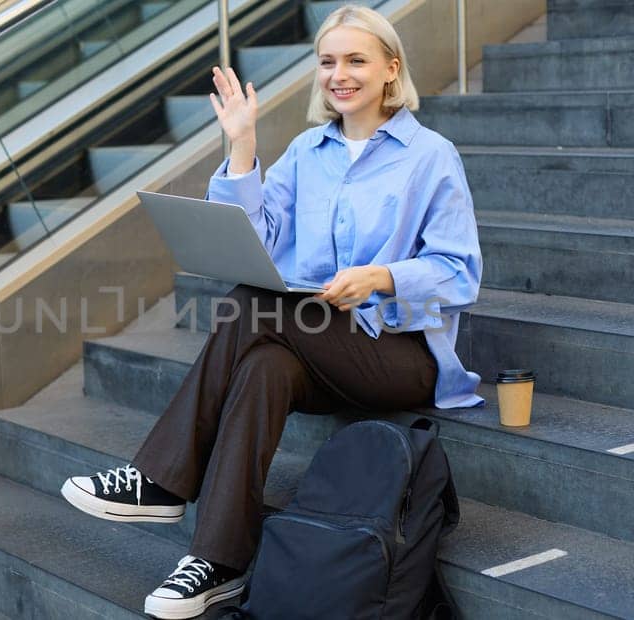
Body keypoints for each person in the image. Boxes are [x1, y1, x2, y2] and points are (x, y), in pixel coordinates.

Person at [59, 5, 482, 618]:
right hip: (317, 345)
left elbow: (460, 270)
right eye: (328, 61)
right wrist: (242, 145)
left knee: (254, 304)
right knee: (262, 369)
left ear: (392, 69)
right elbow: (256, 235)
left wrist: (382, 277)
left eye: (356, 60)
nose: (338, 74)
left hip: (400, 352)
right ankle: (219, 563)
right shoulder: (309, 151)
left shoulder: (430, 155)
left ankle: (159, 480)